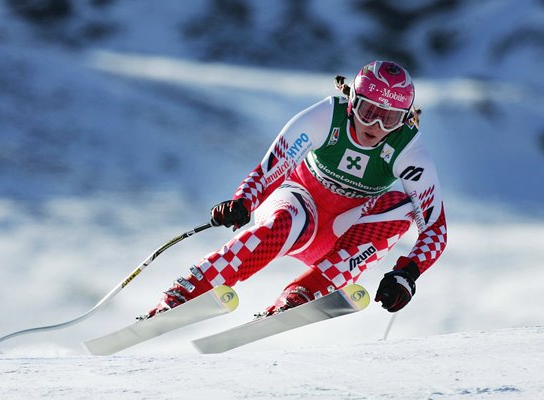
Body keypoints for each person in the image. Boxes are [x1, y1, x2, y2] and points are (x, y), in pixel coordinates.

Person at [144, 60, 447, 319]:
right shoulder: (328, 117)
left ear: (404, 118)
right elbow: (273, 167)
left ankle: (305, 292)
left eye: (390, 118)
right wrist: (243, 202)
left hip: (344, 232)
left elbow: (434, 228)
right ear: (352, 100)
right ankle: (189, 291)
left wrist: (407, 273)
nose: (376, 126)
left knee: (402, 205)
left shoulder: (407, 148)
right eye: (367, 111)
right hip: (302, 207)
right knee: (284, 224)